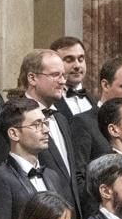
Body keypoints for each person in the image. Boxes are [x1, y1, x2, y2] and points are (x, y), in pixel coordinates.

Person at [17, 48, 85, 183]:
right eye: (55, 75)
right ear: (32, 78)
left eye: (63, 75)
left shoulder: (61, 118)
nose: (62, 81)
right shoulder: (14, 115)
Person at [50, 35, 110, 164]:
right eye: (69, 60)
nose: (77, 65)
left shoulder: (94, 101)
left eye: (81, 59)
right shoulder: (49, 103)